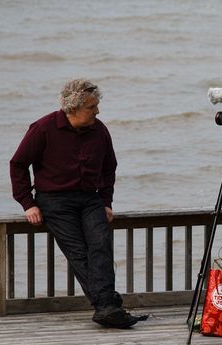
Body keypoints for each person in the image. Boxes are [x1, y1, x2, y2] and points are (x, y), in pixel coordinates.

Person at [10, 78, 142, 329]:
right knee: (79, 254)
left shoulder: (99, 130)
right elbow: (18, 164)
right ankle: (108, 306)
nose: (97, 111)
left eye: (96, 106)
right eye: (92, 107)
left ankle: (107, 308)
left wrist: (105, 201)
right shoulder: (43, 128)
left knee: (101, 246)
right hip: (54, 201)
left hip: (91, 199)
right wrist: (28, 204)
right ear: (73, 108)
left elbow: (109, 168)